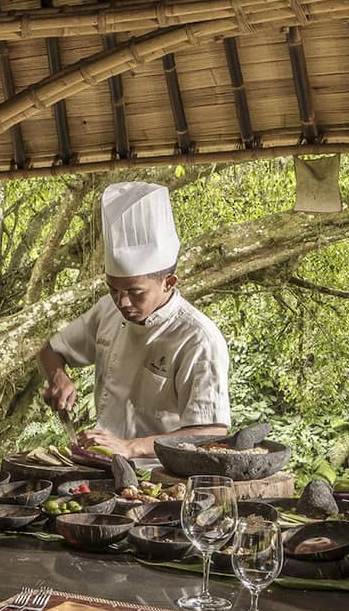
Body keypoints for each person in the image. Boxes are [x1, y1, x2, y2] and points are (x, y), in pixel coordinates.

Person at [36, 180, 230, 461]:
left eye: (135, 292)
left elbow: (211, 432)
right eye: (113, 289)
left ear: (169, 283)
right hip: (101, 465)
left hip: (163, 476)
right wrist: (58, 377)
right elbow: (52, 350)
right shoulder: (108, 309)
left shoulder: (198, 339)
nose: (122, 302)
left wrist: (130, 447)